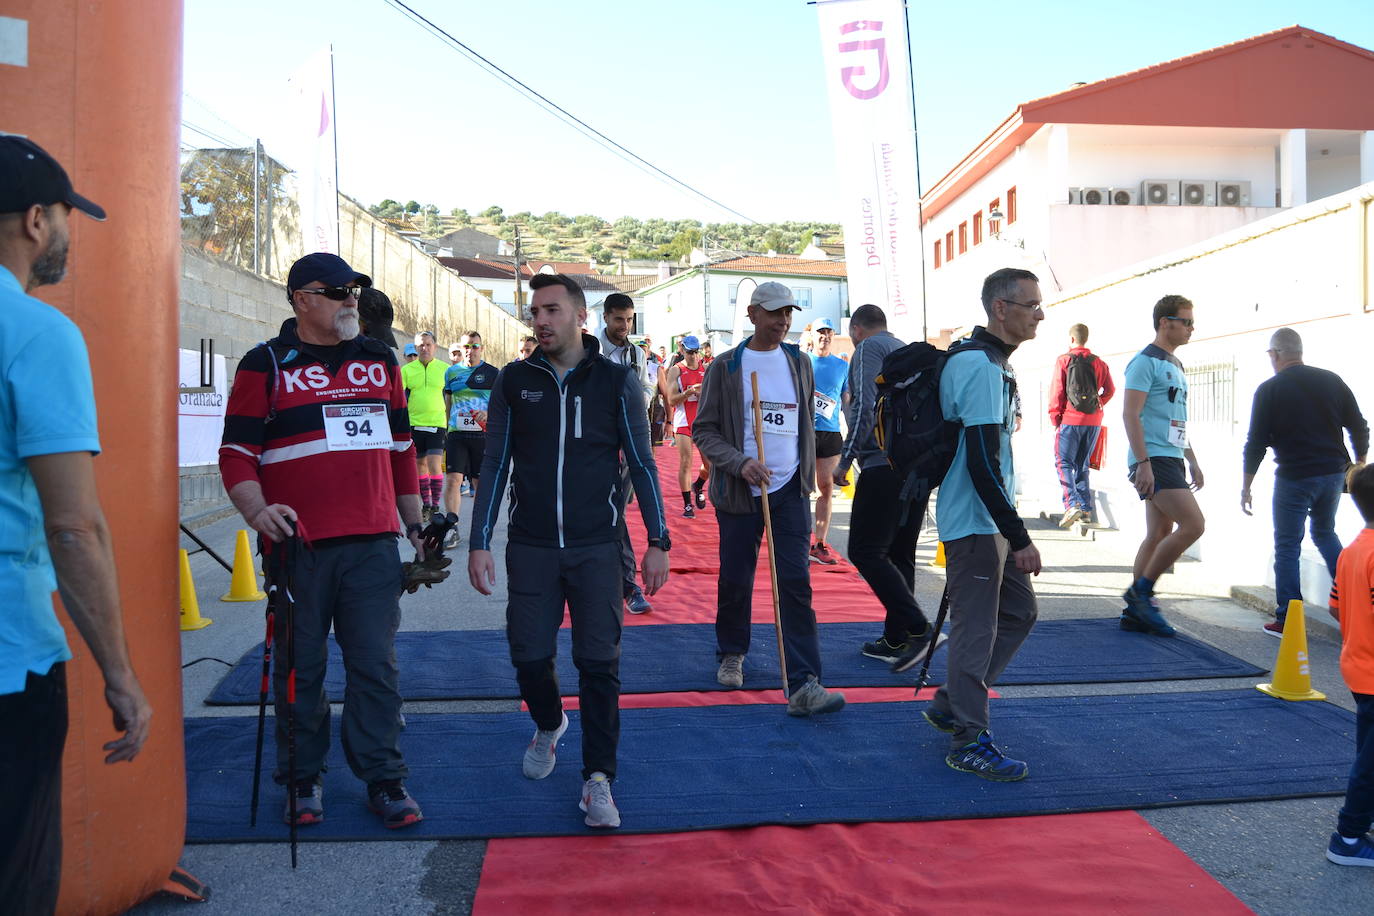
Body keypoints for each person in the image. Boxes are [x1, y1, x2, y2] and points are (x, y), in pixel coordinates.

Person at [220, 251, 425, 829]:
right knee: (299, 667)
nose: (350, 301)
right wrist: (257, 511)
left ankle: (384, 779)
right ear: (302, 299)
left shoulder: (380, 359)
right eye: (337, 292)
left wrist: (414, 524)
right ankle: (301, 775)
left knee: (375, 667)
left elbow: (401, 449)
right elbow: (237, 454)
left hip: (373, 544)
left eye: (355, 291)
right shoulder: (267, 363)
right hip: (298, 546)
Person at [0, 135, 152, 915]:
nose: (68, 234)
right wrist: (121, 677)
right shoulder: (36, 332)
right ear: (34, 221)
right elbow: (74, 528)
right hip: (9, 662)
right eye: (66, 217)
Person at [467, 273, 670, 830]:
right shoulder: (513, 380)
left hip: (596, 546)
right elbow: (494, 464)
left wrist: (657, 540)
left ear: (581, 317)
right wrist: (479, 540)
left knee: (598, 663)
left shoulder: (617, 380)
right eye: (535, 311)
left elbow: (643, 462)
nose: (541, 320)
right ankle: (550, 722)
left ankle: (598, 779)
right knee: (528, 656)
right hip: (531, 545)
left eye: (552, 310)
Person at [693, 281, 845, 716]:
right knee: (736, 578)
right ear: (753, 314)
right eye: (775, 313)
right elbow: (704, 430)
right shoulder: (725, 367)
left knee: (795, 583)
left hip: (789, 490)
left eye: (788, 314)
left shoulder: (800, 362)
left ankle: (804, 682)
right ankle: (731, 651)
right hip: (741, 492)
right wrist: (739, 462)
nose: (783, 321)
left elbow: (805, 426)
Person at [921, 267, 1043, 782]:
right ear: (1000, 308)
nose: (1039, 313)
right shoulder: (979, 367)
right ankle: (968, 738)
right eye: (1031, 304)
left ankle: (953, 701)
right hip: (975, 522)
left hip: (984, 518)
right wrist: (1019, 536)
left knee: (1018, 612)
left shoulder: (991, 363)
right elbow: (981, 462)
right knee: (977, 628)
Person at [1242, 327, 1368, 636]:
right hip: (1332, 476)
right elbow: (1359, 426)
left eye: (1270, 355)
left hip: (1294, 478)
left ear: (1276, 354)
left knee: (1287, 546)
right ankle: (1355, 605)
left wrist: (1246, 486)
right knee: (1325, 533)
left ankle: (1287, 618)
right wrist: (1359, 466)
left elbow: (1255, 443)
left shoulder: (1269, 389)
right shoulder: (1332, 381)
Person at [835, 305, 939, 667]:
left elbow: (863, 404)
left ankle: (918, 629)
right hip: (916, 469)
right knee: (900, 554)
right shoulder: (905, 350)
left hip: (882, 464)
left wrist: (846, 460)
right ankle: (898, 639)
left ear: (857, 329)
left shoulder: (868, 349)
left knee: (865, 550)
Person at [1121, 295, 1204, 637]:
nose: (1191, 329)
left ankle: (1135, 612)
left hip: (1171, 457)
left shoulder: (1176, 365)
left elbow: (1176, 420)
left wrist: (1193, 459)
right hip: (1152, 458)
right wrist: (1143, 463)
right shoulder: (1145, 362)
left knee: (1159, 533)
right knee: (1194, 524)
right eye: (1186, 321)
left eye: (1191, 322)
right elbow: (1130, 413)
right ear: (1164, 322)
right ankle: (1142, 593)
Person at [1325, 463, 1374, 866]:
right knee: (1369, 763)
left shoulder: (1352, 549)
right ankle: (1349, 837)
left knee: (1367, 751)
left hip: (1358, 666)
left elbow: (1336, 606)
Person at [596, 294, 655, 614]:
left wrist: (634, 403)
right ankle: (627, 583)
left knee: (614, 511)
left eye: (630, 319)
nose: (625, 325)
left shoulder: (636, 353)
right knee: (608, 512)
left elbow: (646, 388)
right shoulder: (587, 349)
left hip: (629, 440)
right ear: (605, 318)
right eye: (619, 319)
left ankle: (622, 581)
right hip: (595, 445)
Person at [1048, 322, 1115, 528]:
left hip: (1070, 419)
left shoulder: (1064, 360)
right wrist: (1097, 405)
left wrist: (1055, 418)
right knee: (1082, 463)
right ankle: (1085, 509)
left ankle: (1072, 504)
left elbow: (1057, 392)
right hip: (1094, 421)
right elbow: (1110, 390)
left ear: (1071, 339)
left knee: (1063, 462)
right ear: (1086, 338)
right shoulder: (1100, 363)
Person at [442, 330, 497, 548]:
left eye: (474, 346)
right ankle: (451, 528)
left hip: (482, 436)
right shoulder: (451, 372)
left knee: (479, 484)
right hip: (457, 434)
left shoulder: (493, 373)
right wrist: (448, 427)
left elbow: (502, 405)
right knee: (453, 480)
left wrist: (489, 414)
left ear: (481, 348)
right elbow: (448, 401)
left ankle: (479, 527)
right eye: (466, 346)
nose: (470, 350)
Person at [808, 317, 848, 566]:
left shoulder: (841, 366)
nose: (825, 337)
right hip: (804, 432)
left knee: (826, 487)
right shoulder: (801, 362)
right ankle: (798, 540)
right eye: (820, 332)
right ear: (812, 336)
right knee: (801, 487)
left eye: (829, 333)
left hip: (830, 432)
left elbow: (847, 400)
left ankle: (819, 544)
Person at [401, 331, 449, 519]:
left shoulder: (445, 369)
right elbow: (399, 398)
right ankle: (426, 506)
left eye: (428, 344)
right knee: (420, 466)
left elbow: (451, 396)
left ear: (435, 347)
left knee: (434, 464)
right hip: (414, 423)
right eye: (421, 345)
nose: (425, 348)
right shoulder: (406, 370)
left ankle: (436, 505)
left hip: (437, 423)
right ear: (416, 347)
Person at [666, 335, 711, 518]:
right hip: (683, 419)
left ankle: (698, 485)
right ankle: (687, 504)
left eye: (695, 352)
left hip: (702, 421)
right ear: (682, 351)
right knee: (686, 461)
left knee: (709, 465)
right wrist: (689, 391)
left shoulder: (706, 369)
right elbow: (671, 399)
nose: (692, 356)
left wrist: (703, 395)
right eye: (689, 352)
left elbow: (713, 397)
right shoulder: (676, 370)